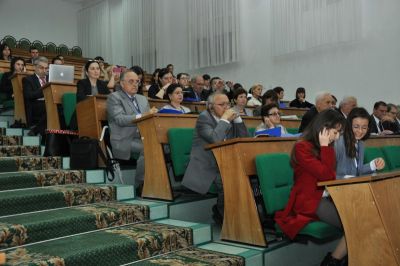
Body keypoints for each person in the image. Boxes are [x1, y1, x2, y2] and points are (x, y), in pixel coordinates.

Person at [274, 109, 347, 266]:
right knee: (353, 223)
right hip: (309, 201)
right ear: (324, 129)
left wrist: (326, 147)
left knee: (358, 220)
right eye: (336, 132)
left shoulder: (326, 147)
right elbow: (327, 175)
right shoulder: (302, 148)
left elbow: (329, 176)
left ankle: (334, 260)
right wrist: (325, 146)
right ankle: (333, 261)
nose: (338, 136)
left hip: (325, 197)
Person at [182, 92, 249, 225]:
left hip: (225, 163)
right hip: (207, 164)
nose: (226, 107)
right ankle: (227, 220)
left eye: (227, 104)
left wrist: (238, 120)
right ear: (211, 107)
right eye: (221, 104)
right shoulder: (204, 118)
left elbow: (245, 140)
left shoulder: (229, 118)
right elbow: (215, 139)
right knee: (227, 182)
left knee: (247, 178)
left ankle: (241, 216)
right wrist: (224, 119)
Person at [107, 70, 158, 187]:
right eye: (131, 81)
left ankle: (158, 181)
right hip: (125, 139)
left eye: (137, 81)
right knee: (148, 148)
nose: (135, 84)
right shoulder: (114, 97)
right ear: (122, 83)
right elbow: (120, 119)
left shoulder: (142, 99)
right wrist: (143, 115)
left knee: (164, 146)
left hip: (144, 136)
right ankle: (141, 184)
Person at [335, 107, 385, 179]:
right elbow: (327, 174)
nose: (360, 131)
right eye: (356, 127)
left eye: (364, 128)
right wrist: (345, 178)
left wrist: (374, 164)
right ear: (349, 125)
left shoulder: (360, 143)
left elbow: (356, 171)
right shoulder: (338, 142)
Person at [22, 56, 48, 136]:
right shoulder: (28, 79)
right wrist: (45, 90)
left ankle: (36, 130)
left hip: (48, 104)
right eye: (41, 68)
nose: (44, 71)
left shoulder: (50, 79)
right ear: (35, 67)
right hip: (36, 106)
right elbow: (28, 95)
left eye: (46, 68)